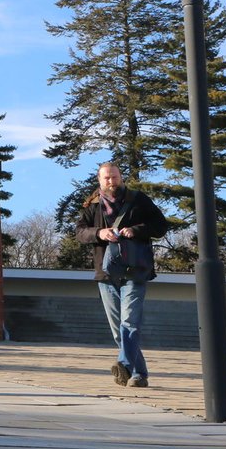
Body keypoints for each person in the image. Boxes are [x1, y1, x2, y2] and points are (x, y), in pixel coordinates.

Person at [75, 161, 168, 388]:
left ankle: (125, 365)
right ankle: (139, 373)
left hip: (135, 270)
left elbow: (160, 225)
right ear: (99, 180)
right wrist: (100, 233)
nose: (111, 181)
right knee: (119, 328)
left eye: (114, 177)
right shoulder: (93, 206)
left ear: (121, 177)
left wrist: (136, 230)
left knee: (130, 321)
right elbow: (79, 233)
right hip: (106, 274)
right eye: (106, 178)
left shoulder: (138, 199)